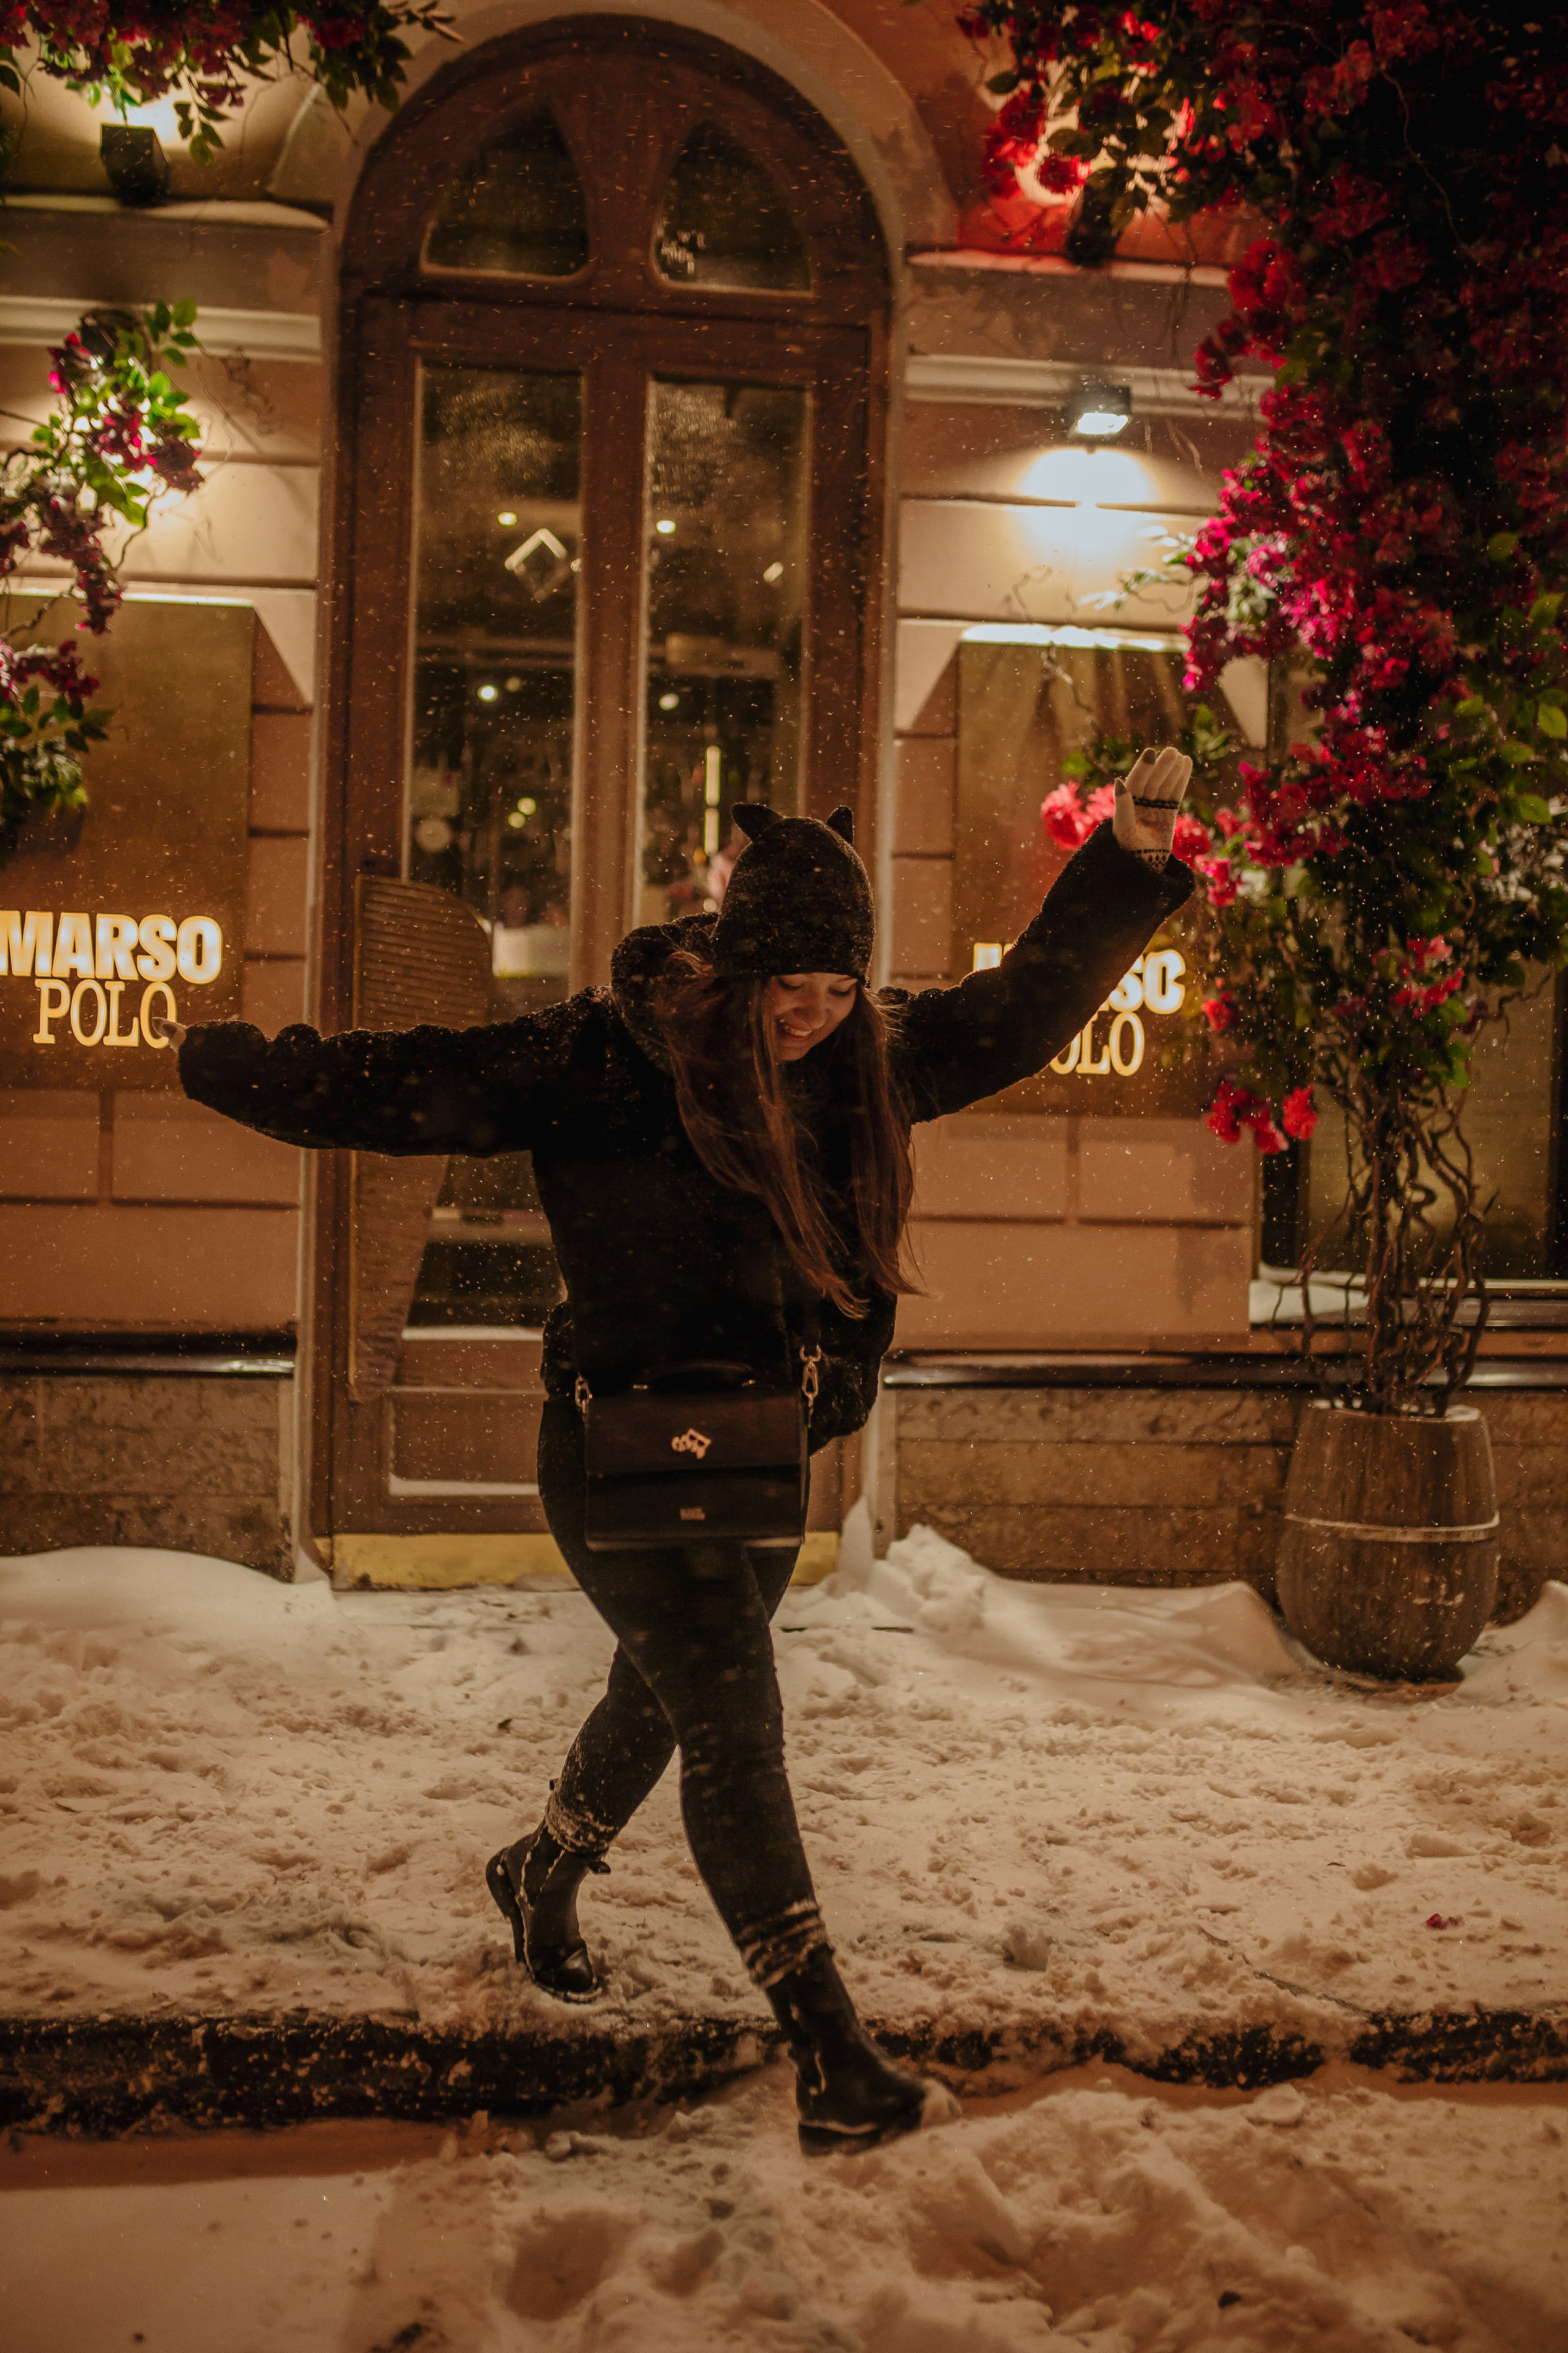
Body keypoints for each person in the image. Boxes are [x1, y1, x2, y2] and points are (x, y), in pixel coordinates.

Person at [159, 746, 1194, 2153]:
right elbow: (400, 1086)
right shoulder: (602, 1056)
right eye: (789, 993)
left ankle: (538, 1867)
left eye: (837, 993)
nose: (813, 1021)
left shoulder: (862, 1058)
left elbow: (1020, 1014)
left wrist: (1126, 864)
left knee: (674, 1697)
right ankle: (826, 2046)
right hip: (612, 1447)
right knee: (734, 1720)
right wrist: (221, 1061)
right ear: (733, 970)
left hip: (762, 1449)